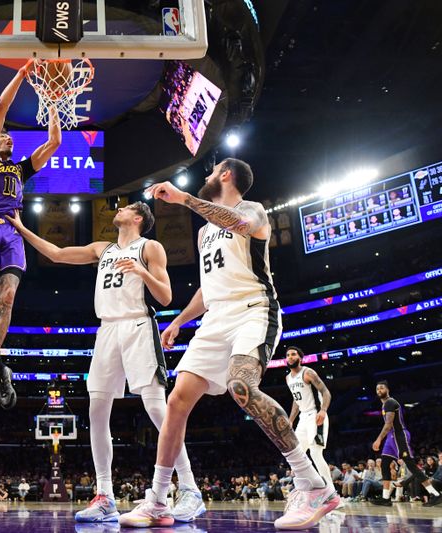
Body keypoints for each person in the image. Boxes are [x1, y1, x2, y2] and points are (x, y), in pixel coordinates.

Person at [120, 159, 339, 529]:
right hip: (215, 318)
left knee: (241, 386)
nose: (206, 176)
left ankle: (312, 485)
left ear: (226, 175)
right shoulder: (205, 233)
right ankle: (158, 501)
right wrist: (178, 320)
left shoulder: (251, 209)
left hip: (254, 309)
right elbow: (208, 288)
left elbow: (241, 225)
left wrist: (185, 199)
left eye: (212, 171)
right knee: (176, 401)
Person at [7, 202, 200, 523]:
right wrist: (21, 228)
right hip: (107, 329)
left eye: (126, 208)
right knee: (96, 410)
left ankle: (190, 487)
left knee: (156, 408)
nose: (119, 208)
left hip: (138, 325)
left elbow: (165, 296)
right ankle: (105, 496)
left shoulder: (149, 247)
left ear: (138, 218)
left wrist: (141, 272)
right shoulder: (102, 248)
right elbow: (56, 253)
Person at [0, 64, 62, 409]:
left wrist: (52, 100)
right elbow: (0, 109)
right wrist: (21, 75)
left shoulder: (22, 169)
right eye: (3, 135)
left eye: (10, 136)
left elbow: (55, 141)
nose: (7, 136)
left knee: (6, 301)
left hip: (15, 234)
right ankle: (1, 370)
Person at [371, 380, 440, 507]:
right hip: (391, 437)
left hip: (399, 435)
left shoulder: (390, 402)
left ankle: (435, 494)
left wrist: (378, 439)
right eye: (377, 389)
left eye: (381, 388)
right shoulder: (384, 405)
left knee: (411, 465)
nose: (379, 391)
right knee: (385, 464)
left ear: (387, 389)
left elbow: (389, 424)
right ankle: (386, 498)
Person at [285, 346, 333, 488]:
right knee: (298, 455)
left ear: (300, 357)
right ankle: (309, 488)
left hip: (316, 415)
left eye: (293, 354)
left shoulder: (308, 372)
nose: (290, 357)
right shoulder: (288, 378)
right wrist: (291, 419)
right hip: (303, 418)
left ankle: (331, 493)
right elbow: (296, 400)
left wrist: (323, 410)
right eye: (287, 355)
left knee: (316, 453)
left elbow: (326, 392)